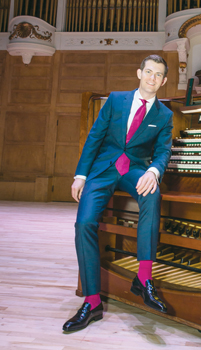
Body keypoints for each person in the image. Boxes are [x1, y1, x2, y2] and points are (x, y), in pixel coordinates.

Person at [62, 55, 173, 332]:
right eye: (149, 72)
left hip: (133, 169)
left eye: (158, 74)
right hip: (103, 169)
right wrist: (80, 176)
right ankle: (92, 302)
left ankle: (144, 279)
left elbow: (162, 151)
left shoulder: (165, 115)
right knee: (85, 223)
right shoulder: (115, 99)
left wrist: (153, 172)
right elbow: (95, 136)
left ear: (164, 80)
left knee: (152, 194)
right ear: (139, 73)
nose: (152, 78)